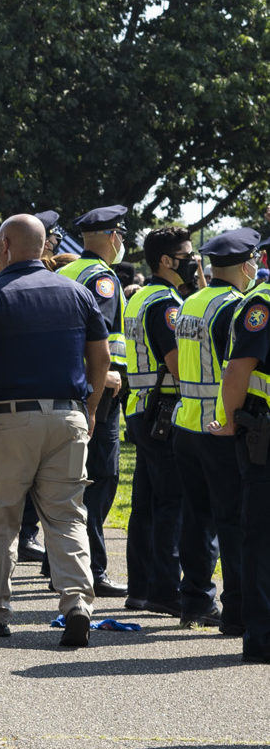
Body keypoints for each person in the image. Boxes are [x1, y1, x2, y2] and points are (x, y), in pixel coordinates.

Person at [0, 213, 105, 647]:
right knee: (67, 515)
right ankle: (77, 604)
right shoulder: (78, 292)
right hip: (68, 416)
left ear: (5, 246)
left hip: (9, 420)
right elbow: (101, 357)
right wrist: (90, 408)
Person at [172, 229, 257, 629]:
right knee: (232, 520)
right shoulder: (234, 307)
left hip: (186, 424)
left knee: (195, 517)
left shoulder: (191, 302)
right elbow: (233, 372)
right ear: (245, 266)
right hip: (219, 427)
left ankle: (195, 601)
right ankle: (238, 609)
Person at [56, 205, 130, 596]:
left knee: (69, 480)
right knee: (100, 478)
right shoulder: (102, 278)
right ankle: (93, 569)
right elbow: (94, 340)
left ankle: (59, 563)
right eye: (120, 234)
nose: (121, 241)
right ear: (111, 236)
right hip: (98, 390)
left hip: (66, 388)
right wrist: (97, 390)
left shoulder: (65, 271)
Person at [121, 227, 193, 616]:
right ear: (166, 261)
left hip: (141, 409)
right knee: (172, 504)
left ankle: (141, 588)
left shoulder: (141, 297)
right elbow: (179, 365)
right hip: (163, 411)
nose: (193, 262)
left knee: (146, 504)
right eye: (187, 255)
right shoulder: (166, 304)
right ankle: (166, 591)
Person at [215, 241, 270, 664]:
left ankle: (262, 636)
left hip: (261, 435)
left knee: (261, 537)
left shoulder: (260, 302)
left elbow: (238, 369)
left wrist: (230, 420)